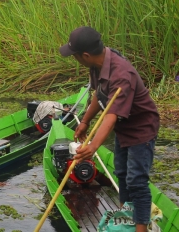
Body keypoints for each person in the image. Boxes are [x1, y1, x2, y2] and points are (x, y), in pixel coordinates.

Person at [60, 26, 160, 232]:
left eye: (75, 56)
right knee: (122, 172)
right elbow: (99, 94)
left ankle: (140, 229)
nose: (75, 59)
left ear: (85, 55)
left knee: (137, 181)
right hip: (124, 127)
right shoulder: (99, 63)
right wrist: (86, 121)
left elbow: (111, 116)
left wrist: (94, 146)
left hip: (141, 129)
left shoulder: (122, 75)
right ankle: (127, 217)